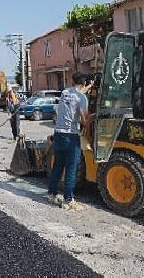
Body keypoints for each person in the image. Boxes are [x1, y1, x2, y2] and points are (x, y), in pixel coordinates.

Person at [47, 72, 93, 211]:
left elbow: (76, 94)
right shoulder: (82, 98)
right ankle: (68, 200)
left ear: (73, 81)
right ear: (84, 83)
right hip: (71, 137)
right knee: (71, 169)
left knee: (58, 166)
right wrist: (93, 117)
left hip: (58, 135)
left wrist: (89, 86)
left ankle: (52, 194)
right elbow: (84, 121)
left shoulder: (65, 93)